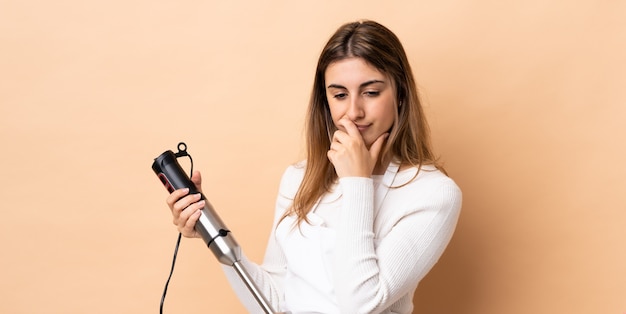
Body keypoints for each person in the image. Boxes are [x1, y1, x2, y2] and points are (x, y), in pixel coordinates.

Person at [166, 20, 462, 314]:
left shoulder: (432, 194)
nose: (354, 112)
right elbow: (272, 299)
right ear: (326, 101)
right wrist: (211, 231)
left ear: (400, 95)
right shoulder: (299, 179)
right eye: (340, 95)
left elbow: (359, 305)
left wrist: (357, 182)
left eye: (371, 92)